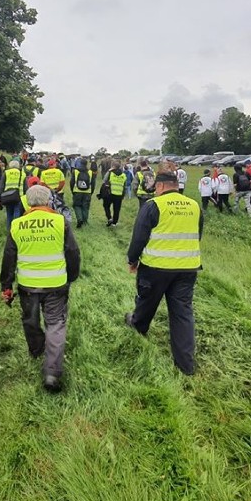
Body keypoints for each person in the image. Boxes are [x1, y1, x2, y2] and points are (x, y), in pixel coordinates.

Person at [0, 185, 80, 392]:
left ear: (27, 202)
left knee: (30, 320)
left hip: (28, 285)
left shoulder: (17, 224)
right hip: (56, 284)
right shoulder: (60, 221)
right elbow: (72, 251)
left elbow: (9, 257)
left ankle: (36, 350)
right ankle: (52, 372)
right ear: (48, 201)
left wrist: (6, 286)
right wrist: (71, 276)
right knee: (55, 324)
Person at [125, 170, 203, 375]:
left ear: (159, 186)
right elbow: (198, 234)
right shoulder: (194, 205)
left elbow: (139, 236)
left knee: (147, 302)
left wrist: (132, 260)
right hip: (187, 268)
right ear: (176, 185)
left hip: (155, 267)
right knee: (182, 313)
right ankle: (185, 365)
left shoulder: (153, 205)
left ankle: (138, 326)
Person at [0, 159, 25, 228]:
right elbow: (25, 187)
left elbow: (1, 186)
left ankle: (9, 230)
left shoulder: (6, 173)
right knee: (17, 212)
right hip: (19, 196)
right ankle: (16, 228)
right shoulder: (22, 173)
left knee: (9, 213)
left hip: (7, 196)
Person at [70, 157, 96, 228]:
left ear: (80, 163)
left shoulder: (75, 171)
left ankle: (79, 219)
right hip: (87, 192)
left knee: (77, 205)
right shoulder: (91, 172)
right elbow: (93, 184)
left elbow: (71, 182)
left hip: (77, 192)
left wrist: (73, 191)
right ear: (87, 164)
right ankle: (85, 221)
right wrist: (91, 192)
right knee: (86, 206)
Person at [102, 160, 127, 227]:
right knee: (117, 209)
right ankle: (114, 223)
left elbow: (104, 181)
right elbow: (125, 185)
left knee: (106, 206)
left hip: (110, 193)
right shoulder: (123, 175)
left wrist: (109, 170)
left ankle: (109, 218)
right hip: (119, 194)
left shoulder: (110, 173)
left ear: (113, 166)